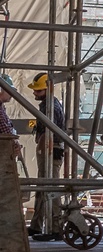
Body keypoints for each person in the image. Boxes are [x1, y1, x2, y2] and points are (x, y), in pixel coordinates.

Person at [28, 73, 65, 238]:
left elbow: (51, 131)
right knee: (43, 188)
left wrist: (42, 148)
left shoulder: (50, 105)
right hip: (49, 150)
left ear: (48, 89)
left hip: (51, 151)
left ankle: (56, 228)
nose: (35, 94)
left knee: (50, 188)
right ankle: (37, 225)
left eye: (39, 91)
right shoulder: (48, 104)